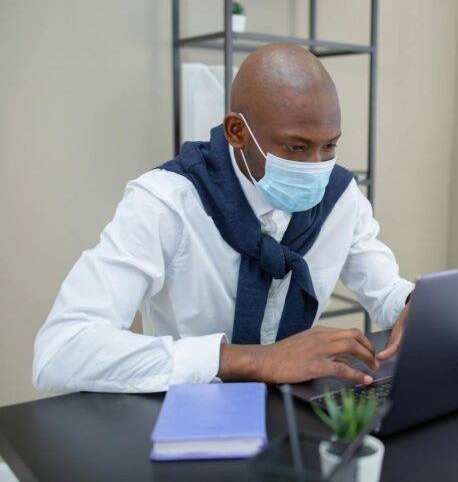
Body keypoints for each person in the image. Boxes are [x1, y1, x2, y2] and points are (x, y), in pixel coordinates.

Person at [33, 43, 413, 393]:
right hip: (187, 411)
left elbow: (387, 292)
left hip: (298, 416)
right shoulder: (166, 202)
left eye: (329, 145)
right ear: (237, 132)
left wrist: (413, 305)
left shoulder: (341, 197)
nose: (316, 167)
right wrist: (254, 360)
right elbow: (61, 350)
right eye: (296, 147)